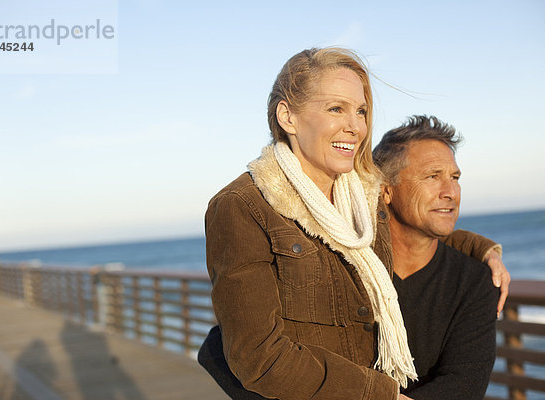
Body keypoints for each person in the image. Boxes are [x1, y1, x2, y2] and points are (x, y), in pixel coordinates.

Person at [199, 48, 508, 400]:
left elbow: (417, 225)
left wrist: (484, 251)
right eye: (336, 108)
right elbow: (259, 359)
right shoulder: (244, 207)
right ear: (288, 116)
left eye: (360, 111)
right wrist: (383, 397)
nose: (355, 126)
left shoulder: (363, 197)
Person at [373, 115, 498, 399]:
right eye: (432, 176)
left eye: (454, 178)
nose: (450, 192)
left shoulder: (475, 281)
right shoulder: (349, 270)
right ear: (386, 190)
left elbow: (464, 385)